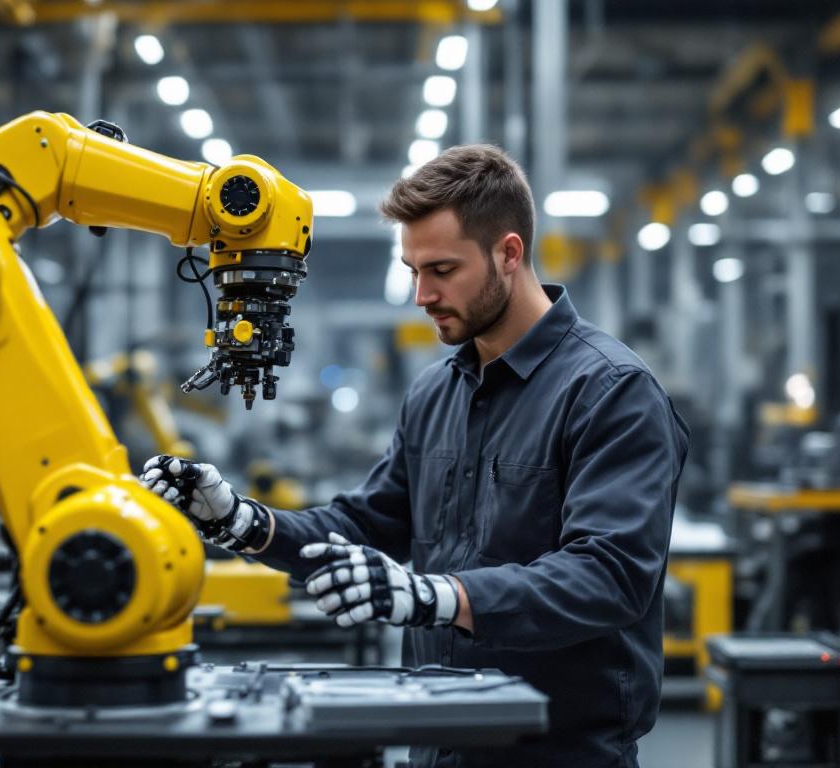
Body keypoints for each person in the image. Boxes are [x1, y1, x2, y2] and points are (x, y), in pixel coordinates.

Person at [142, 144, 689, 768]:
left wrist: (439, 597)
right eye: (412, 270)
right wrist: (242, 523)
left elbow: (610, 576)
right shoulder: (435, 392)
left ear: (509, 254)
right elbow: (366, 524)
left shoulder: (610, 391)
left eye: (442, 270)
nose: (421, 294)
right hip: (436, 742)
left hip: (557, 752)